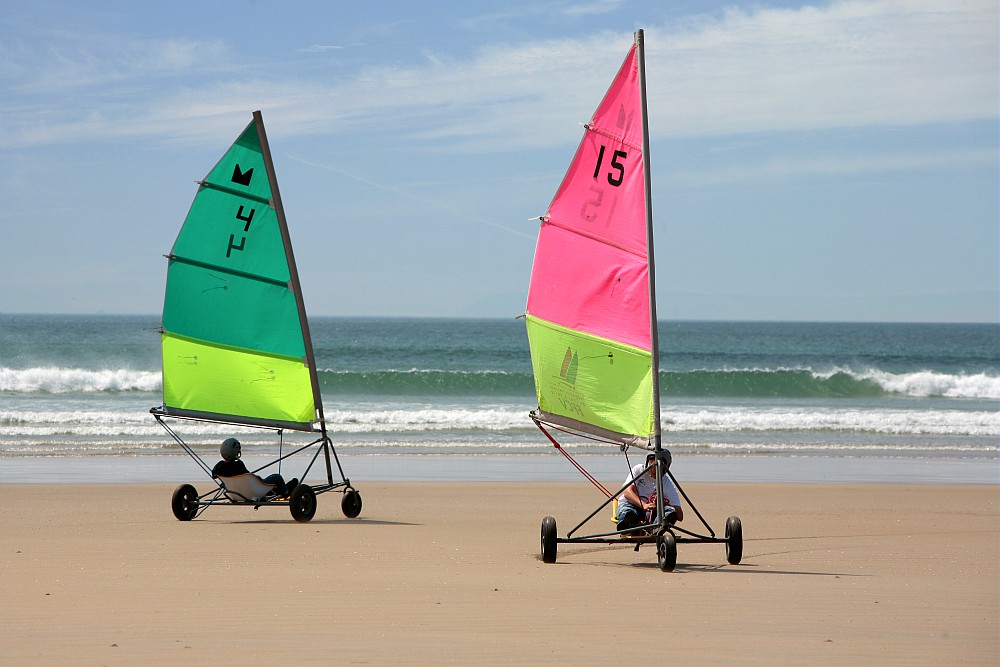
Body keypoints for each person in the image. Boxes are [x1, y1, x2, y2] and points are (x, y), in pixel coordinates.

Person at [616, 452, 683, 531]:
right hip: (630, 505)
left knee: (670, 511)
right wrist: (644, 505)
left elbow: (680, 516)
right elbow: (627, 493)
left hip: (650, 512)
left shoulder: (666, 483)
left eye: (657, 467)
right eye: (651, 466)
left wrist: (662, 503)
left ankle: (657, 528)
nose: (653, 470)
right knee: (627, 511)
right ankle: (629, 525)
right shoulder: (639, 470)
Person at [211, 437, 298, 497]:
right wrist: (257, 479)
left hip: (234, 493)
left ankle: (281, 489)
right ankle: (286, 492)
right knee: (277, 477)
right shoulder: (238, 465)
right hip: (253, 492)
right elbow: (247, 477)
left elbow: (214, 475)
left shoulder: (218, 467)